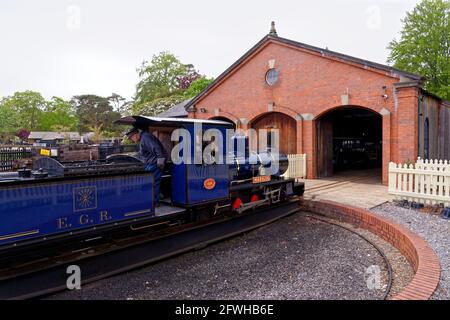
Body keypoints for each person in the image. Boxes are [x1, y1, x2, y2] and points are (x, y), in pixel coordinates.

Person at [126, 127, 168, 206]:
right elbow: (143, 152)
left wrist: (160, 161)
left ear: (135, 135)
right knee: (151, 182)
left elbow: (156, 148)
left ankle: (154, 202)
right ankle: (155, 199)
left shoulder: (145, 138)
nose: (132, 140)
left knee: (152, 183)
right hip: (150, 163)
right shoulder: (143, 138)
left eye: (131, 137)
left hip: (154, 164)